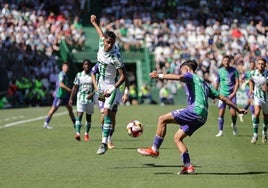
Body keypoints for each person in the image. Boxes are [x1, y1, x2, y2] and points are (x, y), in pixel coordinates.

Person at [137, 60, 247, 174]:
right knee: (177, 138)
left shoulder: (190, 75)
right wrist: (238, 109)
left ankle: (154, 149)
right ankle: (188, 166)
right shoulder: (205, 84)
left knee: (162, 119)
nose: (182, 73)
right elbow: (223, 98)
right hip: (203, 117)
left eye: (182, 70)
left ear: (186, 69)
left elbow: (179, 77)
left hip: (195, 110)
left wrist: (159, 75)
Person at [90, 14, 127, 155]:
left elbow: (124, 76)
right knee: (102, 114)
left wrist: (112, 89)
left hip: (111, 86)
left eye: (112, 43)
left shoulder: (115, 57)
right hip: (100, 85)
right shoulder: (101, 42)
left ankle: (104, 143)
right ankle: (106, 138)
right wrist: (94, 23)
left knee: (107, 112)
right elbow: (100, 33)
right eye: (107, 42)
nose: (109, 45)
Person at [92, 63, 129, 149]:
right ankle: (106, 138)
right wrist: (95, 85)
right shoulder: (100, 62)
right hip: (101, 91)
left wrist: (126, 93)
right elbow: (92, 72)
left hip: (114, 90)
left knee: (112, 117)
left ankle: (109, 137)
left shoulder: (118, 63)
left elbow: (125, 78)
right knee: (104, 114)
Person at [43, 62, 75, 129]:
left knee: (70, 108)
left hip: (64, 95)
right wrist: (68, 89)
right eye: (65, 66)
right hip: (59, 95)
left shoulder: (65, 75)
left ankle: (75, 124)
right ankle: (46, 123)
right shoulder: (61, 74)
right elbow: (60, 84)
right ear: (62, 67)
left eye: (67, 66)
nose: (66, 67)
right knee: (54, 109)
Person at [69, 59, 95, 141]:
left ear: (90, 66)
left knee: (88, 117)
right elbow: (75, 87)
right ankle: (77, 133)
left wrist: (92, 94)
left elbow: (97, 87)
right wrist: (71, 98)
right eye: (85, 64)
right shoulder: (79, 75)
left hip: (90, 98)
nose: (86, 66)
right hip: (80, 97)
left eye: (88, 64)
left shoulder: (93, 75)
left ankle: (86, 134)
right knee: (79, 115)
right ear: (83, 66)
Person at [215, 55, 239, 137]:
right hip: (222, 95)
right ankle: (220, 131)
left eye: (228, 61)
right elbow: (217, 83)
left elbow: (237, 83)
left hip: (231, 95)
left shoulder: (234, 71)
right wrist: (214, 94)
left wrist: (234, 93)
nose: (226, 62)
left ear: (230, 61)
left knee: (233, 113)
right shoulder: (219, 71)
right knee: (221, 112)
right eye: (225, 61)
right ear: (222, 62)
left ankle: (234, 125)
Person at [249, 58, 268, 144]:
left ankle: (264, 132)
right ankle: (255, 135)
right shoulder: (253, 73)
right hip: (257, 96)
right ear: (257, 64)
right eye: (259, 64)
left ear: (265, 65)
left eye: (262, 64)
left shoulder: (267, 74)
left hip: (266, 98)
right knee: (256, 113)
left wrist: (267, 89)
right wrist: (251, 89)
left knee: (265, 116)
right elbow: (250, 80)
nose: (261, 65)